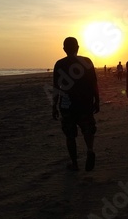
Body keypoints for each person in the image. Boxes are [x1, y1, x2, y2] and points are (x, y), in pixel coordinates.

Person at [52, 37, 100, 171]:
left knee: (70, 135)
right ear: (77, 48)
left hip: (67, 105)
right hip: (85, 103)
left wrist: (54, 105)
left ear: (64, 49)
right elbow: (94, 83)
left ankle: (74, 163)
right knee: (88, 129)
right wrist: (98, 100)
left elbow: (56, 86)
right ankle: (90, 150)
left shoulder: (59, 64)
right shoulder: (87, 61)